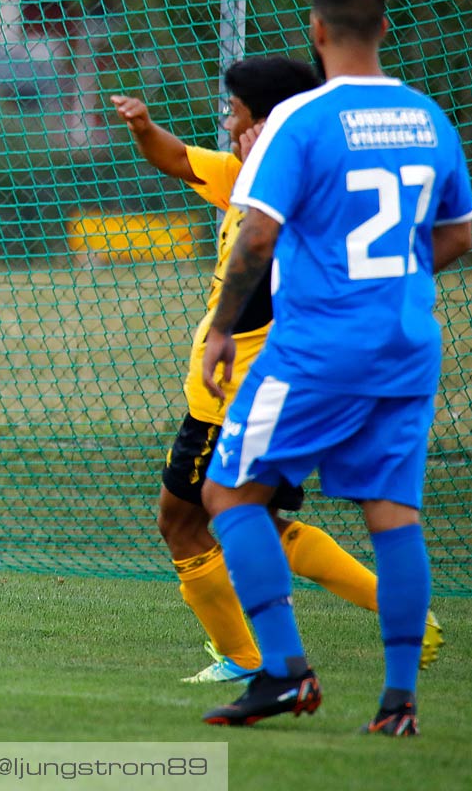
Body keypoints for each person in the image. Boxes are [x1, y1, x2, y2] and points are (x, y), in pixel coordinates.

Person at [197, 0, 472, 735]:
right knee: (392, 515)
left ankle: (285, 673)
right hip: (408, 347)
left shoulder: (304, 119)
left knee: (228, 493)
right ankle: (398, 701)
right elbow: (457, 235)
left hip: (319, 347)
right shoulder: (429, 119)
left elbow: (256, 233)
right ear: (383, 28)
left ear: (317, 33)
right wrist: (390, 282)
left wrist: (223, 326)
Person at [112, 60, 442, 685]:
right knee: (259, 520)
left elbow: (267, 283)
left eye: (234, 113)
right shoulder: (249, 175)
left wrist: (222, 336)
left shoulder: (289, 194)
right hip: (253, 390)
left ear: (263, 123)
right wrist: (143, 127)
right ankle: (403, 613)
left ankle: (246, 658)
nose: (227, 125)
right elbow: (180, 160)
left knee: (183, 521)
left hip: (235, 392)